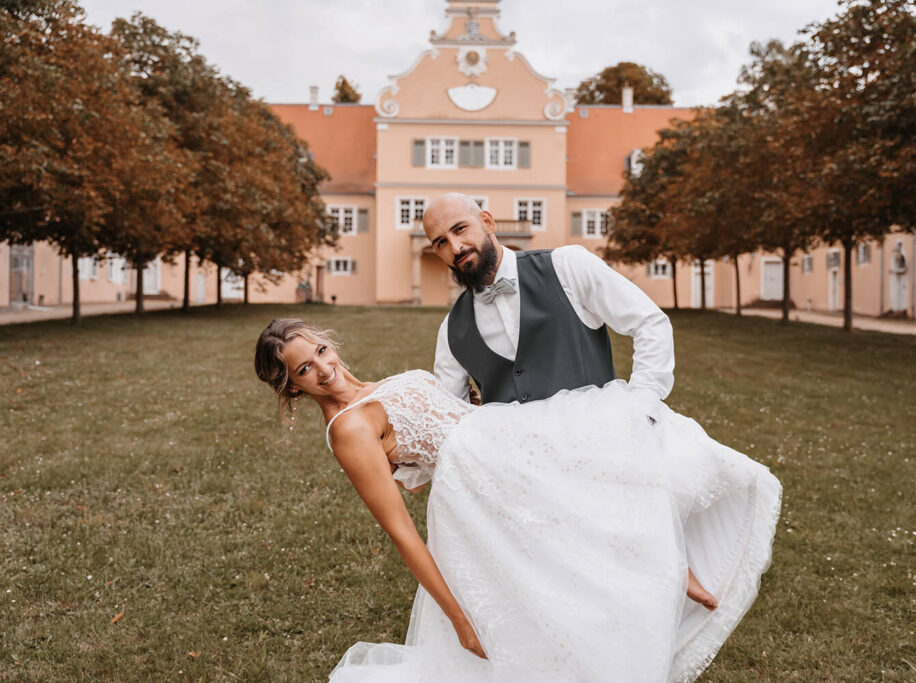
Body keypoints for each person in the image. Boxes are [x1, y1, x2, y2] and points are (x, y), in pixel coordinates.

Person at [254, 318, 782, 683]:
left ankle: (670, 560)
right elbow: (400, 529)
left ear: (329, 344)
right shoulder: (347, 429)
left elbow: (421, 445)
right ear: (292, 387)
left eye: (319, 352)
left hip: (502, 443)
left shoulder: (375, 388)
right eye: (303, 370)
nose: (322, 369)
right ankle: (670, 570)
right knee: (586, 516)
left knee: (618, 439)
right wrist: (459, 619)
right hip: (486, 487)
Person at [425, 193, 674, 406]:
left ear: (487, 222)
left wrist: (643, 401)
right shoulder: (452, 329)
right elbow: (449, 413)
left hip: (598, 447)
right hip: (508, 459)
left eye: (460, 229)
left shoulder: (567, 266)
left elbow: (649, 322)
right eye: (441, 242)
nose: (456, 247)